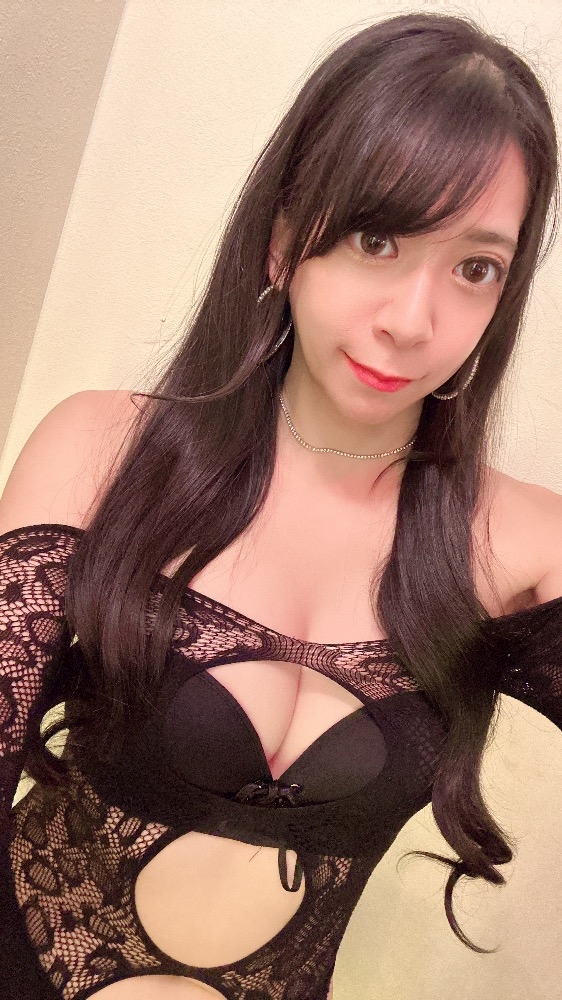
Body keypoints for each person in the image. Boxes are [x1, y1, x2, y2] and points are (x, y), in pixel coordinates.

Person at [0, 10, 561, 1000]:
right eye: (377, 239)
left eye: (474, 268)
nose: (412, 321)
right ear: (282, 244)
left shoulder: (522, 546)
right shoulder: (101, 451)